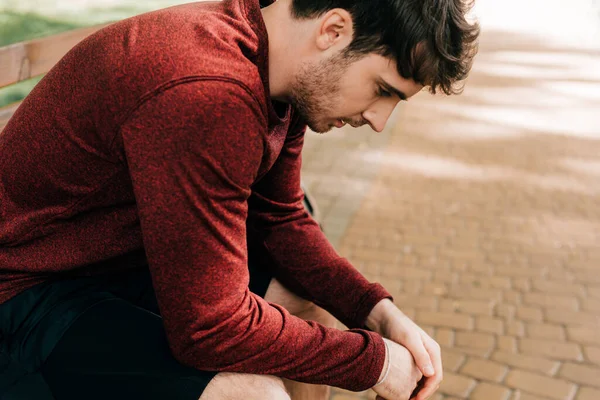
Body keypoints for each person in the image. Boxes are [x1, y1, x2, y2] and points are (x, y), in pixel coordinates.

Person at [0, 0, 479, 399]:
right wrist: (373, 363)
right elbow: (210, 329)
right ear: (333, 30)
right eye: (381, 91)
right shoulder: (209, 92)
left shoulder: (275, 69)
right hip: (28, 283)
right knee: (252, 393)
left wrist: (377, 311)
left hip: (119, 255)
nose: (378, 121)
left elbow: (282, 219)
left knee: (309, 304)